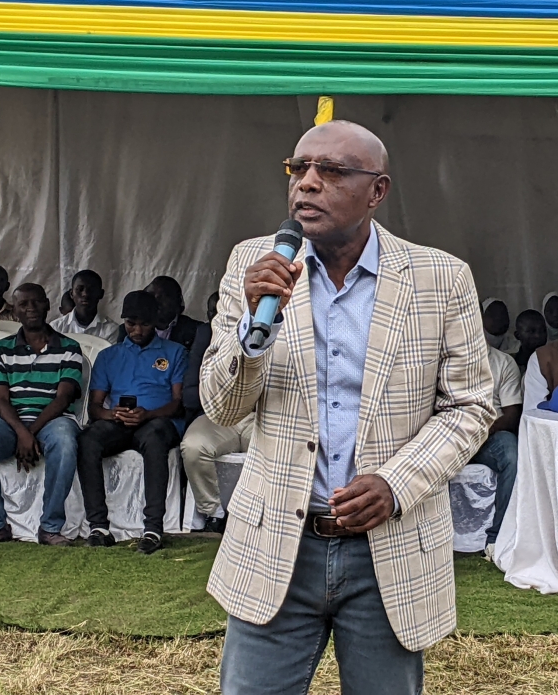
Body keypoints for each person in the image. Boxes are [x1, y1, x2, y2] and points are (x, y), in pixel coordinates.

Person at [201, 120, 493, 694]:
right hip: (277, 545)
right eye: (298, 169)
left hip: (389, 549)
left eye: (331, 172)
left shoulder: (440, 278)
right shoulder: (253, 265)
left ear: (377, 191)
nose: (307, 184)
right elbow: (221, 406)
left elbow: (470, 407)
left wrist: (396, 482)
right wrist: (252, 328)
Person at [0, 284, 85, 547]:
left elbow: (63, 397)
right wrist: (21, 431)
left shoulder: (69, 347)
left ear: (47, 304)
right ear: (15, 311)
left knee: (65, 443)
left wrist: (29, 433)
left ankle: (50, 528)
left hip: (54, 419)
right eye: (23, 304)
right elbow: (1, 399)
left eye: (36, 302)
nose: (30, 308)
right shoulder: (1, 348)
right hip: (10, 421)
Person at [77, 290, 187, 555]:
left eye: (144, 324)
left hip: (158, 421)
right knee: (87, 440)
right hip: (118, 422)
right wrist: (112, 415)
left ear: (156, 321)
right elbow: (94, 407)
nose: (137, 330)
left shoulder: (175, 352)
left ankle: (153, 528)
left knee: (155, 437)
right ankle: (98, 527)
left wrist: (148, 414)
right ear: (123, 321)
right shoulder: (108, 356)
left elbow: (178, 403)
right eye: (130, 323)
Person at [180, 315, 253, 535]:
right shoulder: (207, 333)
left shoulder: (283, 325)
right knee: (193, 447)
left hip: (264, 415)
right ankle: (214, 513)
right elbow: (191, 393)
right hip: (219, 414)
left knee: (282, 450)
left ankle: (264, 514)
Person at [476, 345, 521, 562]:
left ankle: (497, 539)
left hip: (490, 434)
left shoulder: (503, 362)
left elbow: (512, 415)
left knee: (513, 455)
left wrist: (484, 430)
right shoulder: (437, 358)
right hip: (449, 433)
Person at [50, 269, 123, 344]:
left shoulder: (112, 330)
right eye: (80, 289)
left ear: (101, 294)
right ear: (72, 294)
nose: (85, 294)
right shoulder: (56, 328)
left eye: (91, 290)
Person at [146, 275, 204, 354]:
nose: (156, 301)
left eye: (163, 296)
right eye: (151, 295)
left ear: (177, 300)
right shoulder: (129, 331)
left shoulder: (197, 330)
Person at [511, 309, 547, 374]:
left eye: (542, 330)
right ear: (517, 335)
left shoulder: (554, 359)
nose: (538, 336)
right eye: (531, 331)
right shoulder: (511, 364)